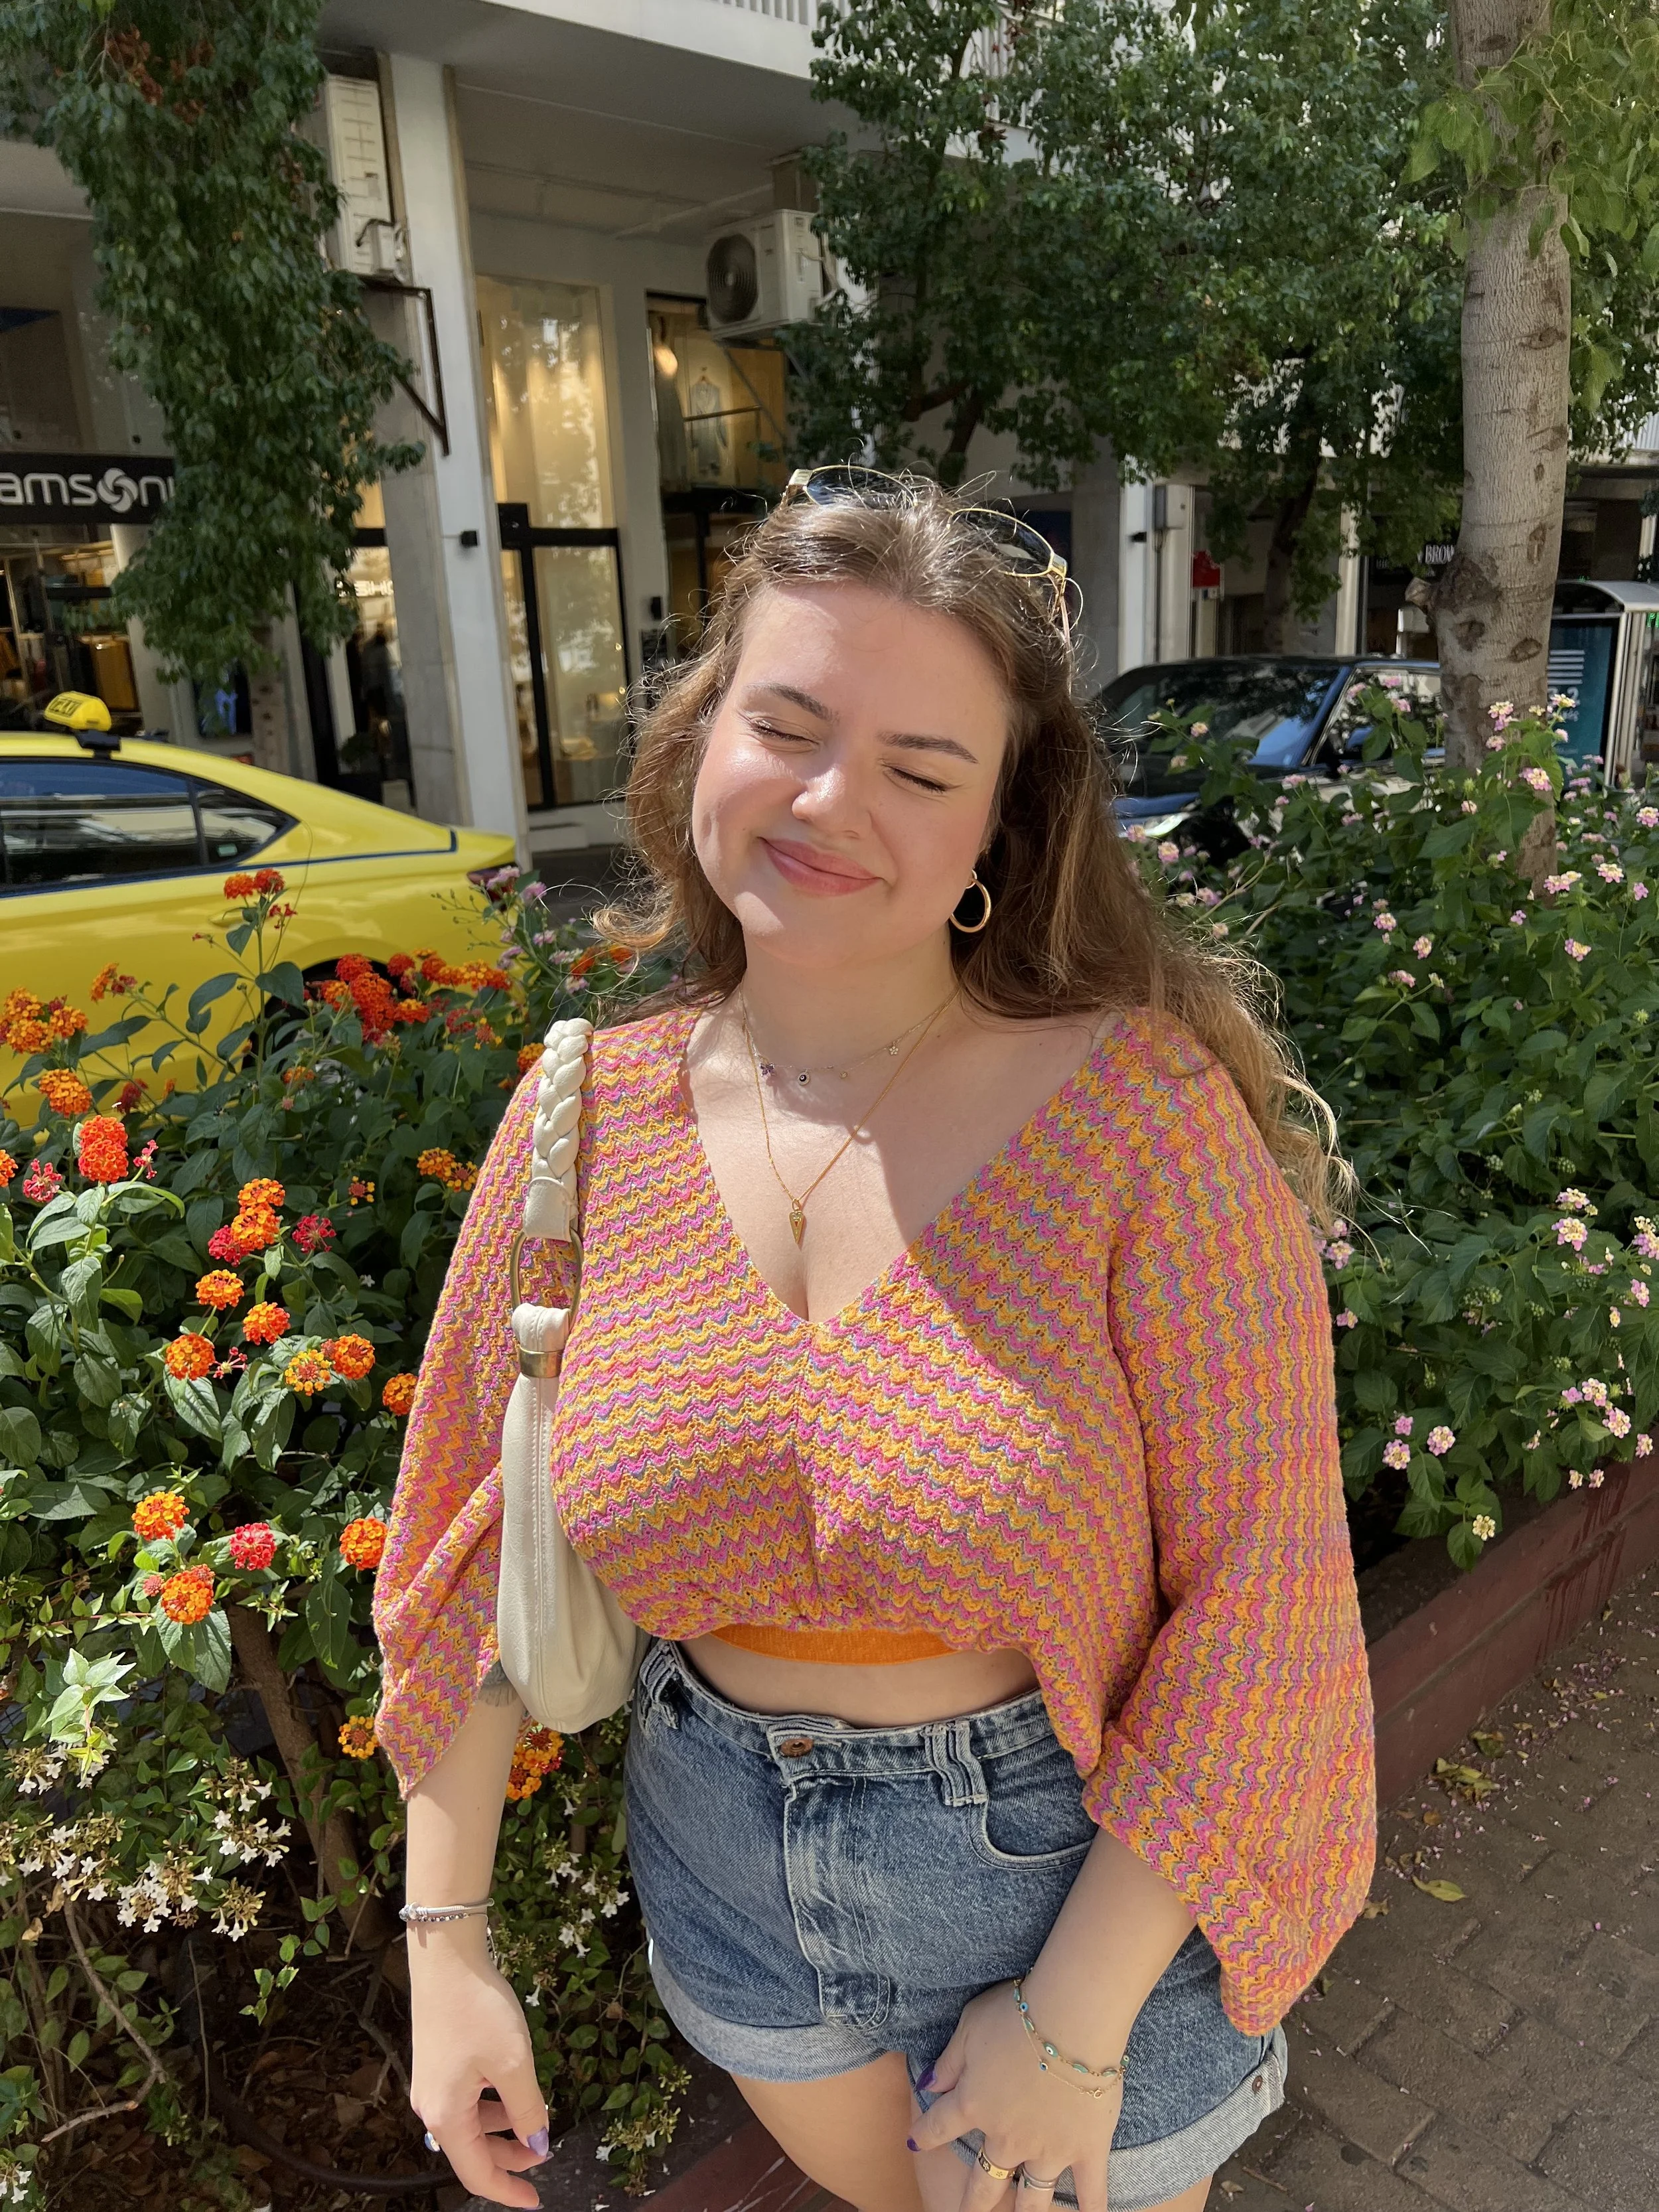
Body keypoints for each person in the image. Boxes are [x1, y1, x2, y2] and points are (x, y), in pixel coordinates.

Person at [372, 471, 1376, 2212]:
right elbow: (469, 1529)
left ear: (1000, 825)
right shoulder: (585, 1119)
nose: (834, 800)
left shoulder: (1139, 1125)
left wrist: (1071, 2015)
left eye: (922, 769)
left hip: (1077, 1889)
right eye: (787, 723)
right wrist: (444, 1940)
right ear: (701, 745)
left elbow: (1266, 1581)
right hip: (722, 1861)